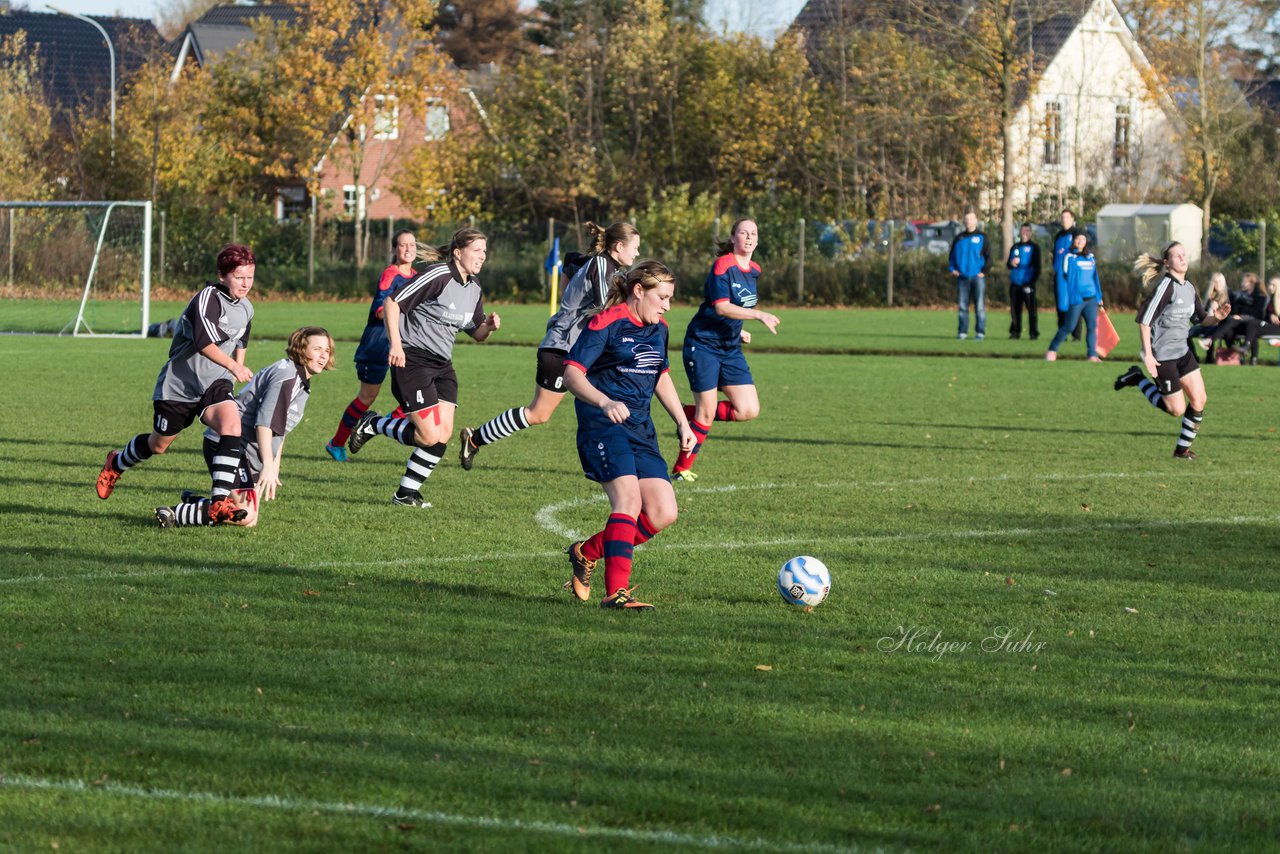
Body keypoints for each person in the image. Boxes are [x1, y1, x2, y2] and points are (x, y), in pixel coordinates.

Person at [561, 261, 696, 610]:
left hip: (640, 428)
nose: (667, 305)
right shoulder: (606, 323)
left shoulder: (659, 329)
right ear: (639, 291)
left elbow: (660, 374)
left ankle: (586, 551)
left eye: (670, 298)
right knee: (629, 502)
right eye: (662, 297)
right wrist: (604, 401)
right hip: (601, 423)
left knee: (664, 512)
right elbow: (572, 374)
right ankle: (616, 593)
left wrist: (682, 421)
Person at [457, 222, 641, 470]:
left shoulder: (608, 266)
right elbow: (605, 311)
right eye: (635, 247)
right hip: (561, 349)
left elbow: (570, 259)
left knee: (613, 399)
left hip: (579, 349)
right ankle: (474, 439)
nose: (638, 253)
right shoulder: (601, 264)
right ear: (619, 246)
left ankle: (628, 462)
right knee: (539, 414)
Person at [95, 243, 255, 522]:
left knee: (232, 425)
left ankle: (219, 502)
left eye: (250, 276)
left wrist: (236, 368)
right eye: (239, 276)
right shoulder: (207, 299)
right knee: (158, 445)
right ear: (222, 275)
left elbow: (241, 338)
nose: (245, 283)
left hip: (215, 383)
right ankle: (116, 462)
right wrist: (233, 366)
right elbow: (204, 344)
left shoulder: (247, 307)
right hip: (180, 385)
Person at [345, 228, 501, 507]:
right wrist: (395, 345)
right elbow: (392, 304)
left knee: (442, 436)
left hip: (442, 364)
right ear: (458, 252)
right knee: (428, 435)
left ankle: (405, 494)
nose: (482, 256)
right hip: (413, 358)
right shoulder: (438, 275)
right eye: (477, 250)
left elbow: (476, 332)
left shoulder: (474, 287)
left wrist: (488, 327)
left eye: (485, 251)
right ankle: (374, 424)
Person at [155, 327, 335, 528]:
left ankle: (197, 502)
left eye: (327, 351)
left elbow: (280, 429)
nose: (323, 356)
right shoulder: (287, 378)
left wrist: (274, 469)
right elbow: (265, 423)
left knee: (248, 518)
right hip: (228, 444)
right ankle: (174, 513)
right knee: (246, 515)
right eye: (317, 349)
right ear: (301, 349)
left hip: (248, 453)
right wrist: (267, 464)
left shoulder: (299, 379)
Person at [670, 218, 780, 482]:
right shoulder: (723, 264)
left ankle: (687, 413)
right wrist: (758, 315)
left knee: (748, 409)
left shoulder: (754, 269)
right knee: (706, 412)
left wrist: (737, 330)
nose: (749, 237)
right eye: (743, 232)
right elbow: (720, 306)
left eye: (754, 232)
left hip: (729, 347)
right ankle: (680, 468)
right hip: (703, 344)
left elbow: (733, 307)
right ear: (733, 238)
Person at [1115, 242, 1231, 460]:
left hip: (1183, 352)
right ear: (1167, 263)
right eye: (1177, 256)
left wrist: (1217, 318)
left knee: (1199, 400)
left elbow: (1201, 319)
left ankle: (1181, 451)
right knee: (1175, 409)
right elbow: (1144, 321)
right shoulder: (1165, 287)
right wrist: (1148, 355)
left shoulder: (1188, 287)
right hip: (1162, 357)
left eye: (1184, 254)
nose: (1183, 258)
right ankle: (1137, 378)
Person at [324, 230, 421, 461]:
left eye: (412, 245)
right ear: (394, 250)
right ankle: (336, 443)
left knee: (416, 393)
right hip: (378, 345)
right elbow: (380, 311)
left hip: (406, 347)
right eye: (403, 245)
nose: (408, 249)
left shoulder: (418, 277)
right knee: (367, 397)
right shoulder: (390, 275)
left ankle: (375, 425)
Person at [1045, 231, 1103, 361]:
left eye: (1083, 239)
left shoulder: (1091, 257)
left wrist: (1099, 297)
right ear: (1074, 241)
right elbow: (1065, 274)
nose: (1080, 241)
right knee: (1069, 327)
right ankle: (1052, 349)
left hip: (1091, 299)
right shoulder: (1069, 256)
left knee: (1092, 327)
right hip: (1077, 299)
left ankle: (1092, 355)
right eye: (1078, 239)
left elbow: (1095, 278)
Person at [1208, 272, 1268, 365]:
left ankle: (1212, 338)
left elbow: (1257, 314)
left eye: (1245, 282)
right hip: (1239, 323)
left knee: (1237, 322)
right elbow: (1234, 310)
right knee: (1229, 329)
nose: (1242, 284)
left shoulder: (1260, 297)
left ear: (1251, 283)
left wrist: (1241, 316)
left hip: (1253, 323)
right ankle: (1235, 354)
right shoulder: (1239, 295)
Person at [948, 210, 989, 340]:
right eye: (966, 219)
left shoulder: (982, 237)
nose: (968, 222)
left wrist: (984, 271)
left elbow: (989, 257)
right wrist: (952, 268)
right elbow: (951, 256)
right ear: (963, 221)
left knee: (980, 306)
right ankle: (962, 332)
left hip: (978, 277)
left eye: (971, 219)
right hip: (962, 278)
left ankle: (980, 332)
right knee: (963, 306)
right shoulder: (959, 238)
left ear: (976, 221)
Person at [1006, 222, 1041, 339]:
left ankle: (1033, 333)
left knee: (1031, 310)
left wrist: (1031, 283)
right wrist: (1011, 263)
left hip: (1028, 284)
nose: (1024, 234)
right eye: (1022, 231)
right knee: (1015, 310)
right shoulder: (1015, 247)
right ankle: (1015, 332)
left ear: (1030, 233)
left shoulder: (1034, 248)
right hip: (1015, 283)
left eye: (1027, 231)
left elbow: (1037, 267)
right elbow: (1008, 265)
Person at [1052, 209, 1082, 341]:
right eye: (1063, 217)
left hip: (1073, 275)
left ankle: (1076, 335)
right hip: (1059, 275)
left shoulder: (1077, 233)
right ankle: (1062, 334)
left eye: (1067, 217)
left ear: (1072, 219)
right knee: (1061, 305)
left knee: (1074, 304)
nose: (1064, 220)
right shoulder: (1058, 235)